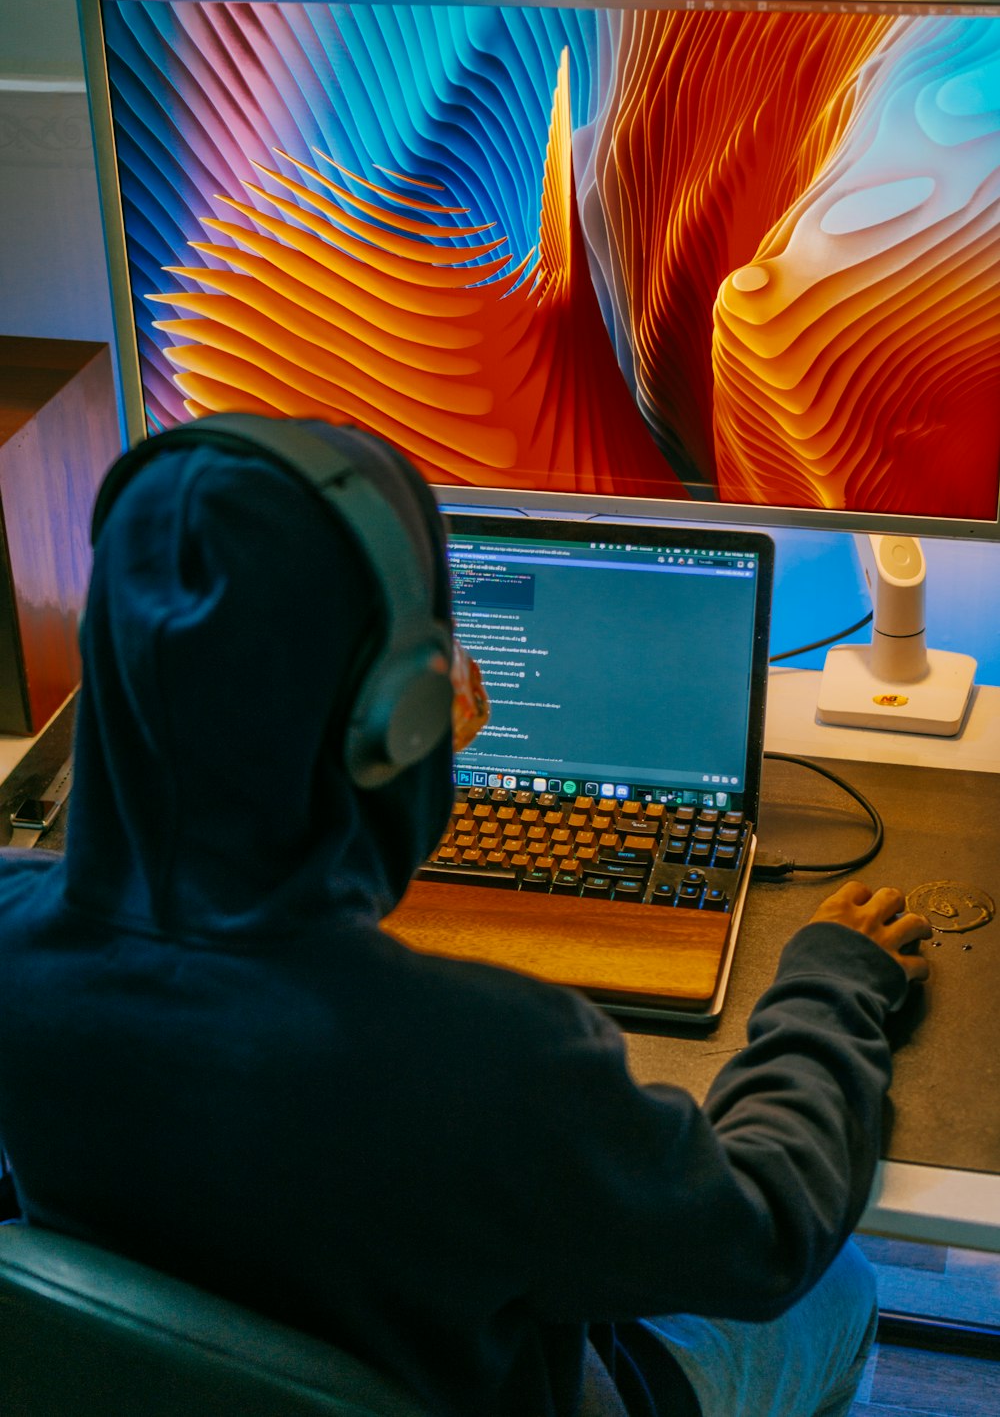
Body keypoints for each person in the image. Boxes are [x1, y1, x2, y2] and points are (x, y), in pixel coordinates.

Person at [0, 417, 931, 1417]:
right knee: (841, 1285)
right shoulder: (494, 1059)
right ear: (397, 716)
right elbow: (763, 1235)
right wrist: (831, 986)